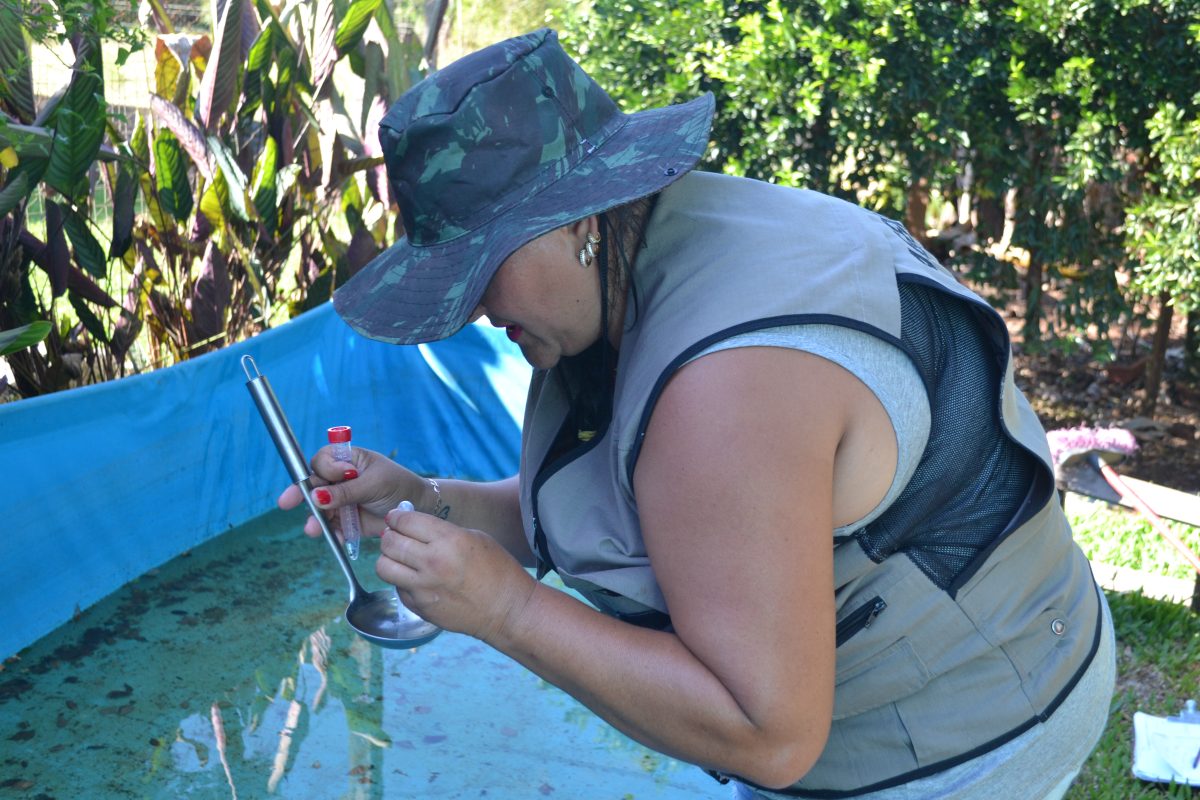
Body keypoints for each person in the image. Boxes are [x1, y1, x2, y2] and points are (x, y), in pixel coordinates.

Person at [277, 28, 1115, 799]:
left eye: (477, 266)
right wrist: (423, 503)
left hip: (969, 730)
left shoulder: (725, 390)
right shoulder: (635, 256)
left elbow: (769, 732)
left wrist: (509, 612)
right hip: (1005, 632)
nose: (467, 309)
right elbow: (629, 516)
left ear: (574, 217)